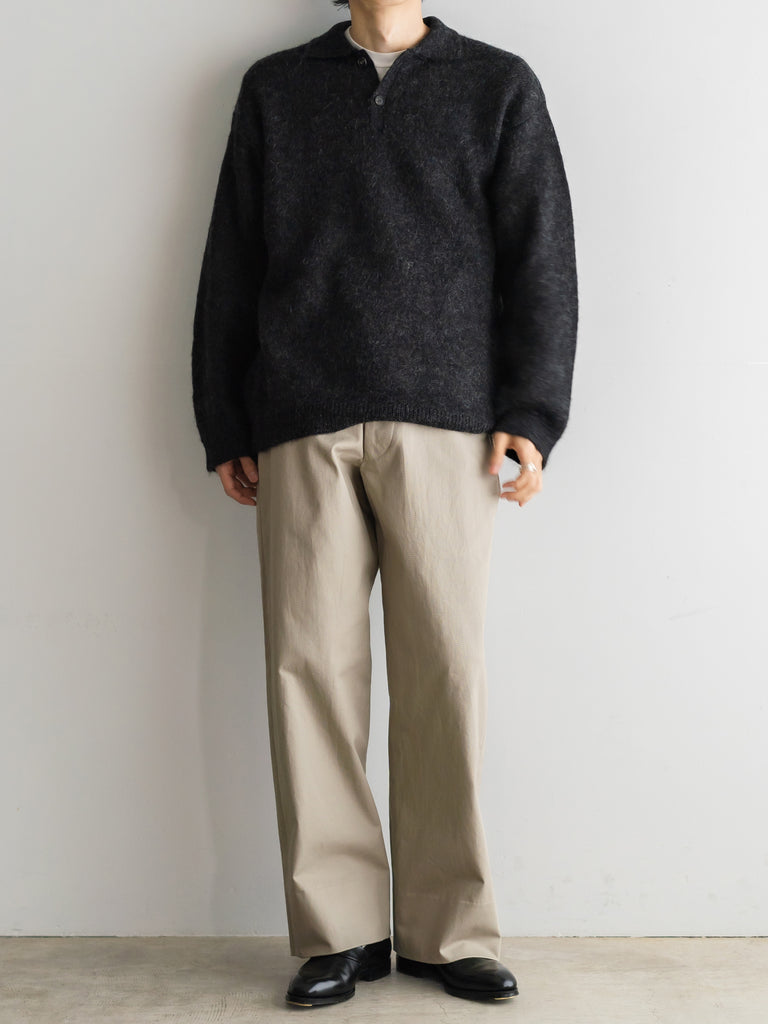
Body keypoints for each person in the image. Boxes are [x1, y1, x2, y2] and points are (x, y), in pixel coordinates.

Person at [191, 0, 578, 1008]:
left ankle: (449, 932)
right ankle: (341, 933)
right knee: (309, 670)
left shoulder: (496, 85)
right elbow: (232, 260)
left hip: (449, 422)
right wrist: (225, 419)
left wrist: (532, 412)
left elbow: (540, 257)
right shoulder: (278, 88)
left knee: (445, 671)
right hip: (300, 413)